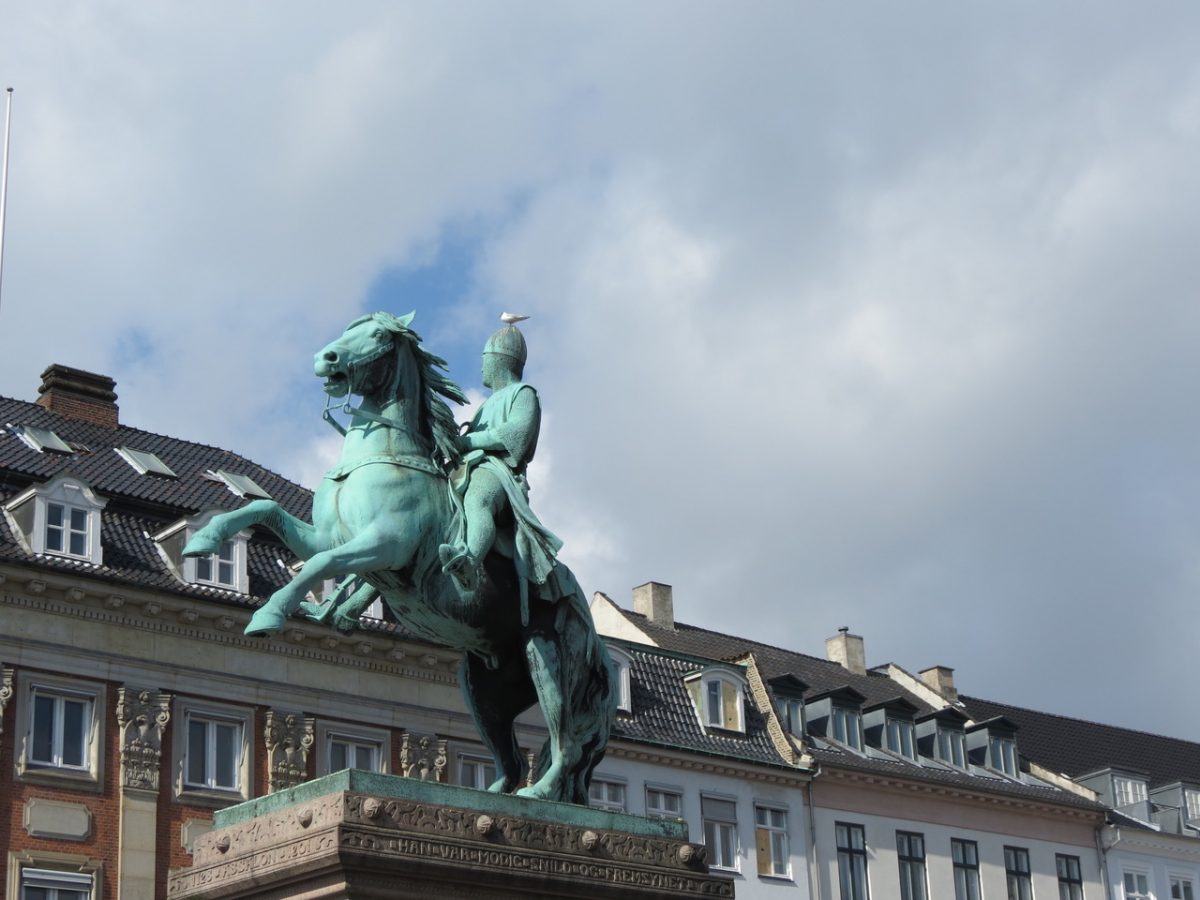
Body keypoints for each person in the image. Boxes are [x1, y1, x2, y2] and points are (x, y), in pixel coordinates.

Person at [438, 321, 562, 616]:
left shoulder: (524, 393)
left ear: (498, 360)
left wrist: (468, 442)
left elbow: (516, 435)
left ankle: (468, 562)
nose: (480, 367)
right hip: (469, 468)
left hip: (500, 473)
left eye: (484, 358)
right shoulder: (485, 405)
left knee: (477, 499)